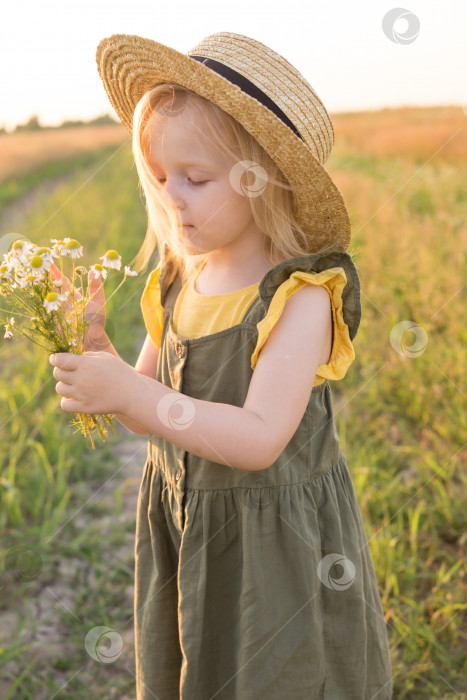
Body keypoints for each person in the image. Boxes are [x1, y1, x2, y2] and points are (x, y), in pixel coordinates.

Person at [50, 31, 393, 699]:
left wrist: (130, 393)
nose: (172, 197)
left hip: (276, 548)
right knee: (199, 666)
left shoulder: (298, 297)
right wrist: (103, 363)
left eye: (195, 179)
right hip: (191, 524)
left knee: (278, 675)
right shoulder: (179, 279)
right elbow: (143, 405)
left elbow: (260, 438)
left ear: (260, 176)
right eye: (158, 178)